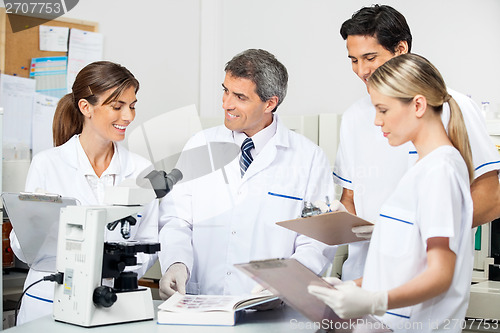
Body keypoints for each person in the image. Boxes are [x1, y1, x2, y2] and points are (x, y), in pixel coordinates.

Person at [334, 4, 500, 281]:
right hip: (364, 275)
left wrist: (416, 234)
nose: (361, 70)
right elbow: (351, 198)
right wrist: (332, 222)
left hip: (427, 276)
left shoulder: (452, 106)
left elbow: (491, 198)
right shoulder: (354, 117)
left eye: (370, 57)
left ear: (400, 49)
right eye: (353, 60)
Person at [310, 53, 474, 332]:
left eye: (383, 110)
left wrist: (374, 301)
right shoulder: (422, 170)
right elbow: (406, 267)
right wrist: (350, 288)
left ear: (418, 105)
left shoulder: (440, 172)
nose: (377, 121)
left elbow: (440, 274)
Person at [158, 49, 336, 299]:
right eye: (225, 90)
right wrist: (177, 262)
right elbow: (176, 220)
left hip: (274, 306)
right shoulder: (201, 145)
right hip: (204, 301)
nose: (226, 103)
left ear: (270, 103)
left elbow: (317, 239)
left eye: (240, 96)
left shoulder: (308, 158)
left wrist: (285, 282)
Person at [9, 61, 159, 324]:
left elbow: (148, 240)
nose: (128, 117)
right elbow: (22, 247)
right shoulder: (48, 164)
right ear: (85, 107)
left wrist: (116, 269)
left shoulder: (141, 170)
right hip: (49, 302)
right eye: (117, 106)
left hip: (113, 302)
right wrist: (34, 228)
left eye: (132, 106)